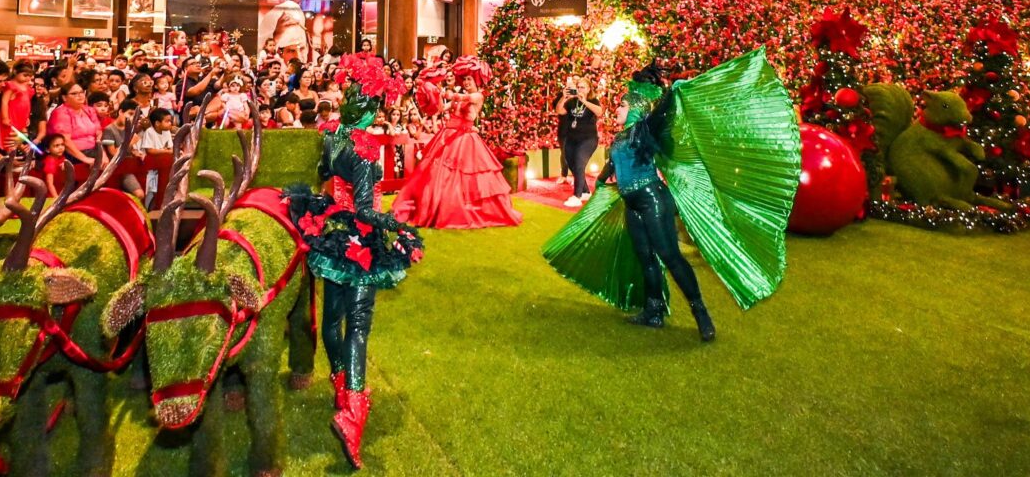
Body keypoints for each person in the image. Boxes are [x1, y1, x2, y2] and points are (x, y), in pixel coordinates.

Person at [542, 51, 802, 337]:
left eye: (622, 105)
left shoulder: (644, 130)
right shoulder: (619, 138)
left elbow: (663, 113)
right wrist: (600, 186)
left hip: (653, 200)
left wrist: (673, 93)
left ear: (637, 109)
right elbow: (612, 164)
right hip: (632, 204)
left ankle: (700, 313)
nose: (616, 110)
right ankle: (654, 312)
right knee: (646, 258)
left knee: (670, 255)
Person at [284, 53, 423, 470]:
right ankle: (352, 410)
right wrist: (396, 224)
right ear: (371, 110)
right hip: (360, 238)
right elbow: (365, 208)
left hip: (331, 233)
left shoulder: (333, 136)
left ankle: (341, 385)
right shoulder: (364, 150)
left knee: (332, 319)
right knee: (358, 325)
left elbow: (327, 171)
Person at [391, 57, 523, 229]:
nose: (467, 81)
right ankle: (439, 207)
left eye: (470, 79)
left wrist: (449, 94)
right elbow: (440, 109)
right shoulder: (458, 96)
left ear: (476, 81)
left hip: (465, 139)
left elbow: (464, 98)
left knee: (466, 176)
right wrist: (436, 93)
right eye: (465, 79)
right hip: (447, 136)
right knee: (437, 174)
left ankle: (459, 209)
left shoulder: (477, 96)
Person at [556, 77, 601, 207]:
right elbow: (559, 110)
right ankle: (586, 191)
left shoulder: (593, 101)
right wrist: (564, 97)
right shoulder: (571, 102)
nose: (580, 89)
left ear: (588, 89)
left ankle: (577, 196)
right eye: (578, 87)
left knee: (579, 163)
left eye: (583, 87)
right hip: (571, 138)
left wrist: (585, 101)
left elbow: (599, 112)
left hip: (588, 139)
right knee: (572, 164)